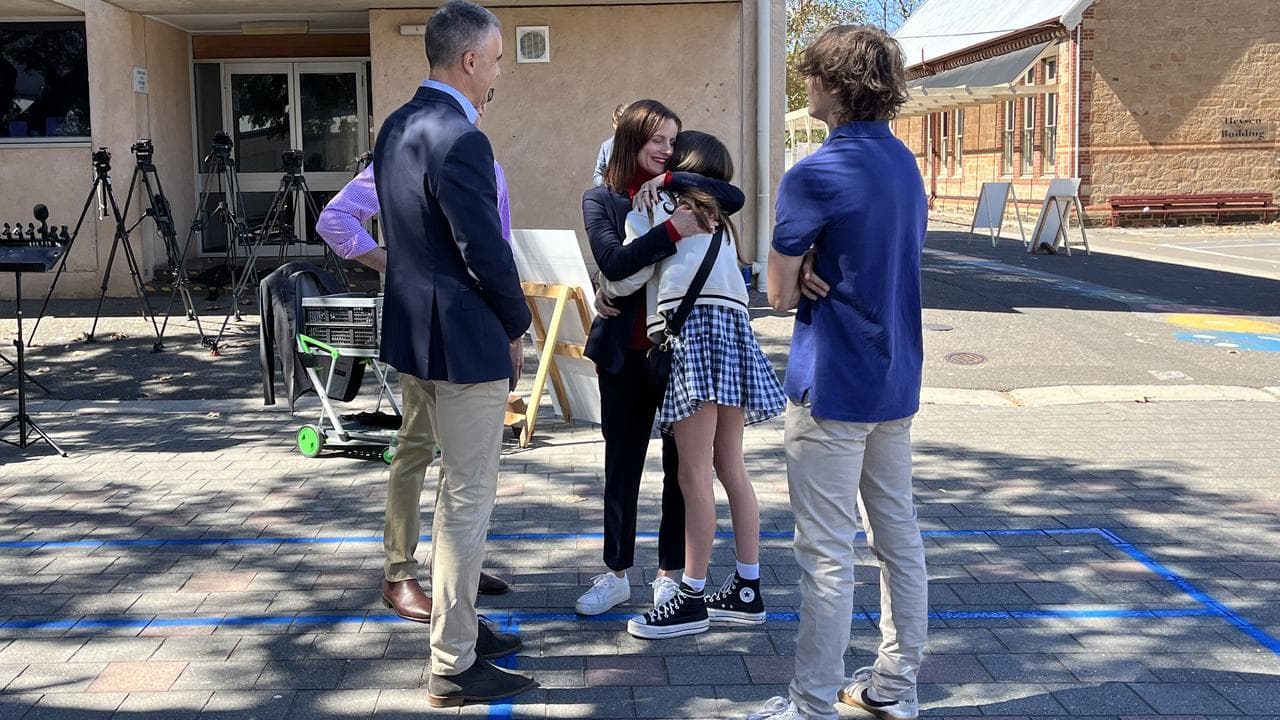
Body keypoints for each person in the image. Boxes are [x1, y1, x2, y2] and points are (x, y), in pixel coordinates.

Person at [744, 25, 929, 720]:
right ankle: (894, 687)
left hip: (833, 385)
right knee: (897, 540)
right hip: (895, 379)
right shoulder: (904, 165)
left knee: (826, 557)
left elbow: (779, 293)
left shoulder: (813, 173)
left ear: (836, 86)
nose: (807, 87)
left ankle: (812, 703)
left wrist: (810, 263)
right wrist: (823, 261)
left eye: (813, 76)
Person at [373, 0, 536, 707]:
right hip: (465, 342)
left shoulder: (397, 126)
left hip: (415, 334)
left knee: (451, 494)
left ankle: (460, 628)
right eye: (497, 58)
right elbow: (483, 251)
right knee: (467, 500)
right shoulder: (461, 137)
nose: (498, 72)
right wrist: (517, 323)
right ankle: (452, 661)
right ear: (469, 60)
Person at [314, 98, 514, 621]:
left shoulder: (488, 164)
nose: (483, 102)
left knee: (465, 458)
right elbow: (334, 220)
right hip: (426, 329)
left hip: (474, 331)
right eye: (488, 75)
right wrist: (394, 264)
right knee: (418, 446)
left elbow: (500, 246)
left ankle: (457, 567)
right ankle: (398, 571)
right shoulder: (404, 154)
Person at [601, 130, 784, 640]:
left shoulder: (663, 213)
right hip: (735, 337)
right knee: (732, 469)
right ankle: (746, 588)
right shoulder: (722, 225)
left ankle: (692, 596)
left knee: (693, 475)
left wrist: (603, 288)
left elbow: (625, 278)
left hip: (694, 340)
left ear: (679, 172)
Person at [578, 99, 745, 618]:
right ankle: (616, 573)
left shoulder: (687, 195)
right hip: (623, 355)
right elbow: (613, 261)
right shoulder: (600, 200)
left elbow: (732, 194)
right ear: (629, 139)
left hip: (677, 352)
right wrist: (668, 231)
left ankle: (671, 576)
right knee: (621, 465)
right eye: (656, 139)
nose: (665, 149)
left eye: (673, 141)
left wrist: (670, 185)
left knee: (684, 468)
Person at [592, 103, 629, 187]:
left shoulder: (640, 144)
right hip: (613, 192)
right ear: (614, 124)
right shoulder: (606, 146)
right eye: (618, 126)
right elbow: (597, 174)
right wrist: (607, 185)